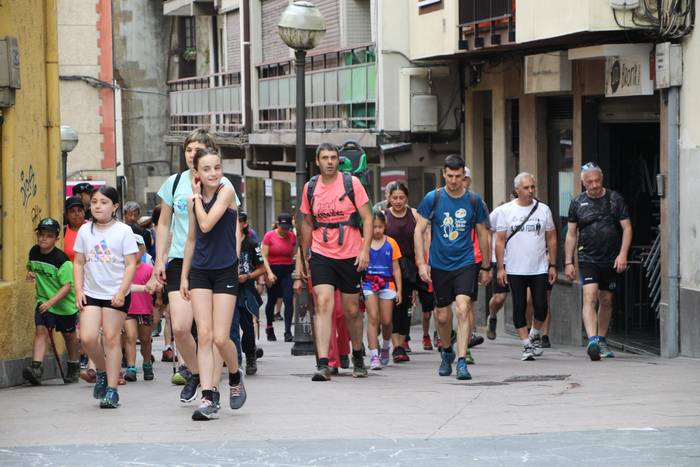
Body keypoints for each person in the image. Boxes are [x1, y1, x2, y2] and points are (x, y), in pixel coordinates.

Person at [148, 128, 239, 403]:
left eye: (197, 149)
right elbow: (164, 224)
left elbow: (227, 226)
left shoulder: (220, 185)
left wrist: (232, 258)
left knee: (212, 333)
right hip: (181, 260)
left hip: (217, 263)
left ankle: (211, 388)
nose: (191, 154)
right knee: (180, 327)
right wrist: (159, 260)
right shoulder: (174, 183)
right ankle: (199, 375)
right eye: (188, 149)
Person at [296, 142, 373, 381]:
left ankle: (358, 354)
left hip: (350, 254)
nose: (330, 162)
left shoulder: (352, 184)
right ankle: (322, 363)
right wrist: (303, 260)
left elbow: (368, 218)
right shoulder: (310, 188)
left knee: (351, 310)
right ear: (317, 162)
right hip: (321, 253)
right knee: (323, 304)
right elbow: (307, 223)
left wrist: (365, 250)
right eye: (325, 158)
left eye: (333, 157)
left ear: (338, 160)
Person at [180, 147, 246, 421]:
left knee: (221, 338)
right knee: (203, 336)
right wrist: (184, 275)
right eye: (206, 169)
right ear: (196, 173)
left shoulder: (226, 192)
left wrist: (195, 199)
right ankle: (209, 396)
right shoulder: (193, 199)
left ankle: (234, 373)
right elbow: (193, 239)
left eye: (217, 167)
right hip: (200, 272)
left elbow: (207, 224)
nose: (213, 173)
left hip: (224, 271)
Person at [414, 154, 491, 381]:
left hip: (466, 263)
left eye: (458, 176)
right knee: (443, 316)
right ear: (444, 174)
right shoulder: (433, 198)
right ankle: (446, 351)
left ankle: (461, 361)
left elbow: (483, 234)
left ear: (463, 176)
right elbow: (418, 231)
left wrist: (486, 266)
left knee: (463, 307)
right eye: (450, 176)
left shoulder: (474, 201)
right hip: (439, 265)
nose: (454, 180)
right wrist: (421, 263)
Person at [73, 186, 138, 408]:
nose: (98, 206)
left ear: (115, 206)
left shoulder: (123, 231)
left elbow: (131, 264)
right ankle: (102, 371)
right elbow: (79, 262)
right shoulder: (84, 231)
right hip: (91, 292)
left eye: (103, 202)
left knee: (111, 339)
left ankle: (112, 390)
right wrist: (79, 290)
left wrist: (122, 291)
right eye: (94, 202)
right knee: (88, 338)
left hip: (115, 294)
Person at [565, 162, 632, 361]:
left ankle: (602, 339)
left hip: (611, 259)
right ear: (583, 183)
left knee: (606, 300)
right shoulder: (577, 203)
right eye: (590, 182)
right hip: (587, 258)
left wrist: (623, 254)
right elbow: (570, 234)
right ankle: (592, 340)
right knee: (590, 296)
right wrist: (568, 262)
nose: (594, 185)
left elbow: (627, 228)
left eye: (597, 180)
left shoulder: (615, 199)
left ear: (601, 180)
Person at [495, 173, 557, 361]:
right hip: (515, 268)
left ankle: (534, 335)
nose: (530, 191)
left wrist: (553, 265)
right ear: (517, 190)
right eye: (526, 188)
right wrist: (500, 267)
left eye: (532, 187)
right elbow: (499, 241)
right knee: (519, 306)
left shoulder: (544, 210)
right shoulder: (506, 211)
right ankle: (526, 345)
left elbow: (552, 238)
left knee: (541, 306)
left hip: (539, 267)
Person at [23, 218, 80, 385]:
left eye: (48, 236)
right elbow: (31, 267)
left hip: (64, 305)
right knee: (40, 332)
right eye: (41, 235)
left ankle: (73, 365)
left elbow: (66, 287)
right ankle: (36, 368)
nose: (43, 239)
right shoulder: (34, 252)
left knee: (69, 336)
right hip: (43, 300)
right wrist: (30, 274)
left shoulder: (62, 260)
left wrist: (51, 303)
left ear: (56, 238)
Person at [383, 181, 434, 361]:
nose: (398, 201)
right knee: (400, 306)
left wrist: (426, 261)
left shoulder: (414, 215)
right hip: (391, 266)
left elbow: (425, 234)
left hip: (413, 264)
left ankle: (442, 334)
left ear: (407, 198)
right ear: (388, 198)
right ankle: (398, 346)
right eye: (394, 198)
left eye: (401, 198)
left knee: (428, 299)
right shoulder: (384, 216)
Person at [363, 211, 402, 370]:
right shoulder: (363, 242)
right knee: (373, 318)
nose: (377, 230)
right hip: (368, 283)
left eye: (380, 227)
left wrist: (399, 290)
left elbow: (396, 269)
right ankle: (374, 355)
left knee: (386, 320)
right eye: (373, 227)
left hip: (387, 284)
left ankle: (385, 346)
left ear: (385, 226)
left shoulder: (391, 243)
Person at [231, 219, 266, 375]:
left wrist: (249, 276)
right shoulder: (227, 242)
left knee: (248, 327)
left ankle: (250, 355)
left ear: (244, 224)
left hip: (246, 290)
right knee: (232, 327)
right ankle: (236, 361)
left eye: (239, 221)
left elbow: (262, 268)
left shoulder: (252, 244)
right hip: (229, 290)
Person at [123, 234, 155, 382]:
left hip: (145, 309)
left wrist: (156, 289)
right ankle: (131, 367)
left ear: (143, 251)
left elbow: (156, 286)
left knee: (145, 339)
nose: (135, 252)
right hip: (128, 309)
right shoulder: (122, 269)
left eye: (138, 249)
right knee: (130, 337)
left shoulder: (149, 269)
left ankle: (147, 363)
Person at [262, 213, 297, 342]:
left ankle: (287, 331)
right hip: (273, 270)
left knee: (288, 299)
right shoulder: (269, 236)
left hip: (287, 270)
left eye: (287, 227)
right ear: (278, 225)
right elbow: (264, 256)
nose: (285, 230)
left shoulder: (292, 237)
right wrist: (268, 273)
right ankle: (269, 327)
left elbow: (293, 254)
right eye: (283, 227)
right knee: (271, 299)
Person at [63, 196, 86, 262]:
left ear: (84, 213)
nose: (77, 214)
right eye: (72, 211)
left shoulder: (93, 228)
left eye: (80, 210)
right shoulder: (62, 233)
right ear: (67, 215)